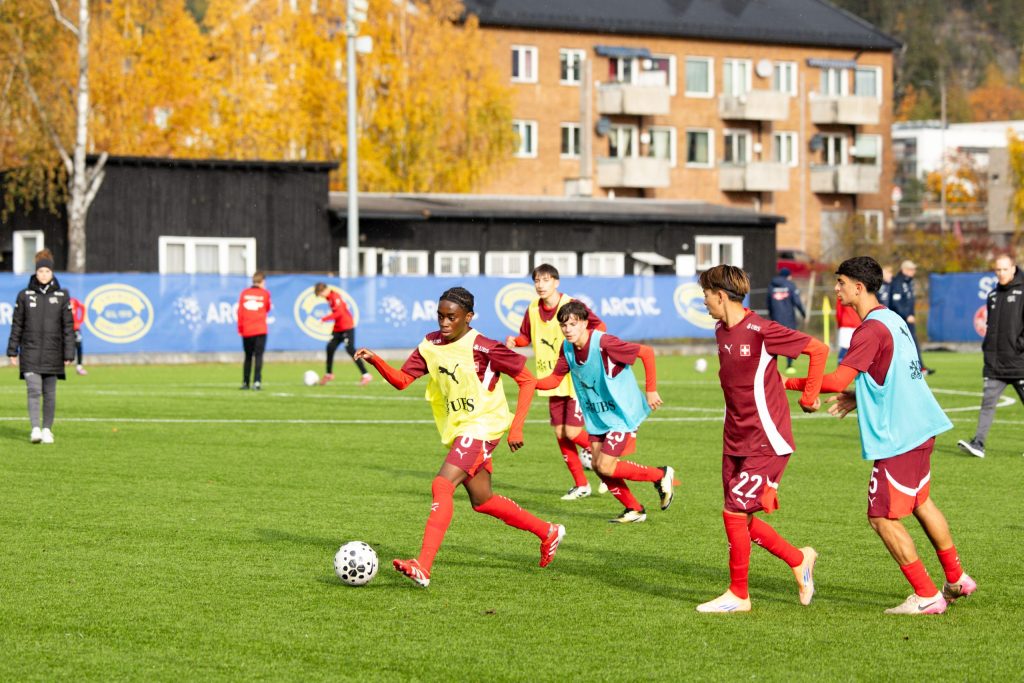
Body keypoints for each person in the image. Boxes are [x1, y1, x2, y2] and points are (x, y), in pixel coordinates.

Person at [786, 256, 975, 615]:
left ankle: (926, 595)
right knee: (920, 502)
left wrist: (785, 382)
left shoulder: (870, 329)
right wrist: (859, 397)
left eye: (841, 282)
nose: (837, 289)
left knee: (881, 517)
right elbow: (894, 376)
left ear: (858, 287)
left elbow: (836, 380)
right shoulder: (893, 319)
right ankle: (957, 578)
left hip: (900, 436)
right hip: (921, 427)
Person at [354, 287, 564, 587]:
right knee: (483, 500)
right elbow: (402, 380)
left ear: (469, 317)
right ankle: (548, 531)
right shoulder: (430, 344)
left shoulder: (485, 347)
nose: (444, 322)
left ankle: (423, 565)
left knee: (442, 484)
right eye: (440, 316)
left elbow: (527, 379)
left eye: (451, 317)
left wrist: (516, 427)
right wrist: (376, 360)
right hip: (461, 428)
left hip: (483, 425)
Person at [695, 265, 826, 613]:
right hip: (734, 438)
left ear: (720, 296)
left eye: (705, 295)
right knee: (743, 520)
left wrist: (809, 396)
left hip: (767, 440)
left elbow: (818, 349)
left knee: (733, 512)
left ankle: (739, 595)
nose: (704, 301)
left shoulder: (762, 330)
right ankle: (799, 559)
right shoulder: (720, 331)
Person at [535, 300, 675, 523]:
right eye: (563, 325)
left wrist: (651, 390)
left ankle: (660, 475)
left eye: (572, 324)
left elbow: (646, 353)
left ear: (584, 323)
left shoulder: (604, 343)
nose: (567, 329)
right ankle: (634, 509)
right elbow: (554, 379)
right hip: (597, 417)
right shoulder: (567, 348)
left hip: (620, 414)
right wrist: (527, 380)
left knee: (605, 465)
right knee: (598, 467)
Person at [505, 264, 606, 500]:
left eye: (546, 280)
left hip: (575, 376)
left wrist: (585, 348)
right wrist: (515, 341)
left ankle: (606, 456)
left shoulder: (570, 304)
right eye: (537, 281)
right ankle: (581, 485)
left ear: (556, 282)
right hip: (551, 378)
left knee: (572, 431)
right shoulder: (532, 308)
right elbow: (526, 337)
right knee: (560, 433)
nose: (541, 285)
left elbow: (599, 326)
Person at [957, 253, 1024, 458]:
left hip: (1019, 362)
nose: (1001, 273)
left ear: (1013, 269)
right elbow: (991, 327)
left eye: (1005, 269)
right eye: (998, 270)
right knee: (987, 404)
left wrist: (1018, 346)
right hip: (995, 365)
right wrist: (988, 349)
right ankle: (978, 443)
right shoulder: (993, 295)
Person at [6, 249, 75, 444]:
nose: (44, 275)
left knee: (50, 394)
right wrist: (12, 350)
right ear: (35, 273)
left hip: (54, 353)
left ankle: (47, 430)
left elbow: (68, 326)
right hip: (30, 352)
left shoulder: (62, 296)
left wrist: (69, 352)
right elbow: (17, 325)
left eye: (47, 271)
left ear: (52, 273)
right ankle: (35, 429)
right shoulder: (24, 296)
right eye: (40, 271)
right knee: (34, 390)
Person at [315, 282, 371, 386]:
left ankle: (366, 375)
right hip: (338, 329)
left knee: (350, 350)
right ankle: (329, 374)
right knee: (330, 347)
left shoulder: (335, 297)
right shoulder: (329, 298)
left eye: (321, 294)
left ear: (325, 290)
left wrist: (323, 319)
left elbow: (339, 313)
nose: (321, 296)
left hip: (347, 327)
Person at [889, 260, 933, 375]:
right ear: (904, 270)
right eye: (911, 269)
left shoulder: (909, 282)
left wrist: (911, 314)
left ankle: (919, 367)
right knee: (901, 345)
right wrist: (906, 315)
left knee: (912, 343)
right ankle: (912, 368)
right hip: (900, 320)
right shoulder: (898, 282)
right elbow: (896, 303)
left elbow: (909, 302)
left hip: (908, 320)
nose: (914, 271)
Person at [765, 267, 807, 375]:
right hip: (789, 319)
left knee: (774, 343)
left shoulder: (771, 285)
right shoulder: (790, 285)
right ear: (788, 276)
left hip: (775, 319)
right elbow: (797, 301)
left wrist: (771, 316)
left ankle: (772, 367)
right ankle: (789, 365)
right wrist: (803, 313)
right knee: (790, 342)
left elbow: (768, 303)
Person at [238, 271, 271, 390]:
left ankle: (245, 382)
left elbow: (240, 312)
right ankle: (257, 382)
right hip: (260, 329)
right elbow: (267, 308)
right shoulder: (265, 293)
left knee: (248, 357)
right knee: (258, 356)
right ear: (262, 281)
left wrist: (240, 328)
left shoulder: (244, 293)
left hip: (247, 330)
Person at [69, 294, 87, 375]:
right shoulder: (59, 301)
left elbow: (82, 307)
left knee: (78, 345)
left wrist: (80, 320)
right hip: (64, 328)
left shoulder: (73, 301)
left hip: (75, 328)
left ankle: (79, 367)